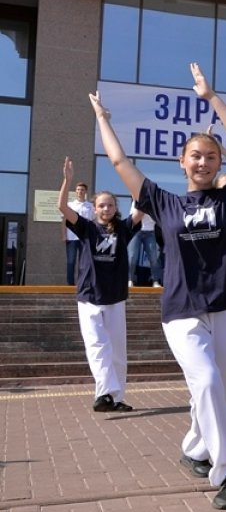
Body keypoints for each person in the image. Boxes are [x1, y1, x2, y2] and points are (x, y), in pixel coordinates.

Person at [92, 62, 226, 510]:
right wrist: (104, 122)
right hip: (182, 308)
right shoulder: (163, 203)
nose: (202, 162)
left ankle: (194, 449)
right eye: (195, 156)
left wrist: (211, 99)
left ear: (219, 163)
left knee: (221, 392)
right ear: (181, 162)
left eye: (210, 156)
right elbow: (119, 162)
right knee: (205, 382)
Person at [59, 157, 138, 413]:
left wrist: (133, 177)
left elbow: (142, 209)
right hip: (90, 297)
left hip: (115, 297)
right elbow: (62, 207)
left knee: (117, 352)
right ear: (94, 208)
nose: (106, 209)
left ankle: (114, 398)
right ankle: (103, 393)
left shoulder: (124, 229)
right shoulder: (86, 228)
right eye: (102, 205)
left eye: (110, 205)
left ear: (116, 208)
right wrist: (68, 180)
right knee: (97, 345)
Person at [65, 180, 94, 285]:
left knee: (84, 262)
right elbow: (64, 221)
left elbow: (93, 221)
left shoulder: (90, 206)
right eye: (78, 190)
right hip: (71, 237)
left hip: (85, 238)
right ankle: (70, 284)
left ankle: (82, 283)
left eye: (82, 190)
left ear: (85, 191)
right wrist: (63, 235)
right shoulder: (70, 205)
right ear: (75, 191)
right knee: (71, 261)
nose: (80, 191)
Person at [126, 196, 161, 286]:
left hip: (150, 232)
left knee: (153, 258)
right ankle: (130, 279)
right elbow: (134, 217)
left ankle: (155, 280)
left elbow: (156, 217)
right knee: (132, 257)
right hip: (136, 232)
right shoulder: (136, 200)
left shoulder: (155, 203)